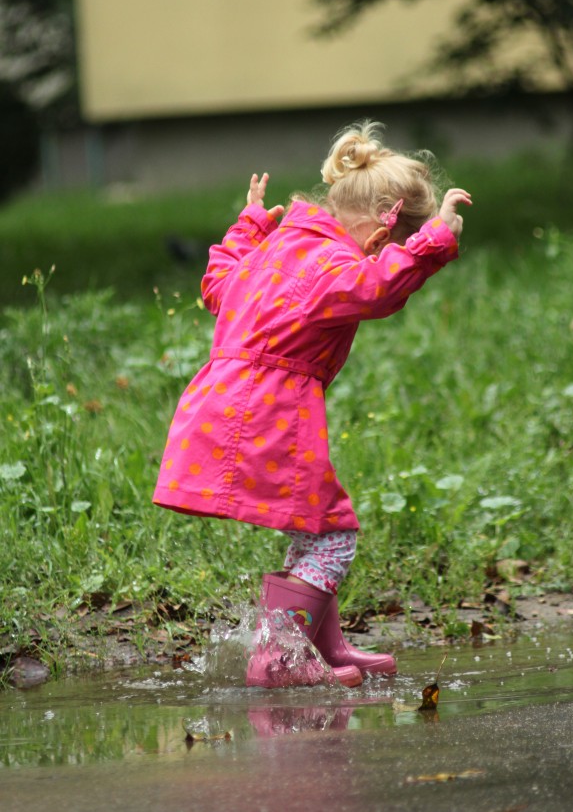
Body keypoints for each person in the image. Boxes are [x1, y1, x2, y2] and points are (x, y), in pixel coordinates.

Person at [153, 121, 471, 688]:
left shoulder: (279, 246)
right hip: (265, 415)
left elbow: (217, 285)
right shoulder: (331, 265)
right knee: (334, 534)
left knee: (317, 522)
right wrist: (435, 241)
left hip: (225, 405)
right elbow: (376, 289)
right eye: (393, 244)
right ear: (384, 226)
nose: (384, 254)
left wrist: (248, 224)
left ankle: (321, 645)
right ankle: (279, 659)